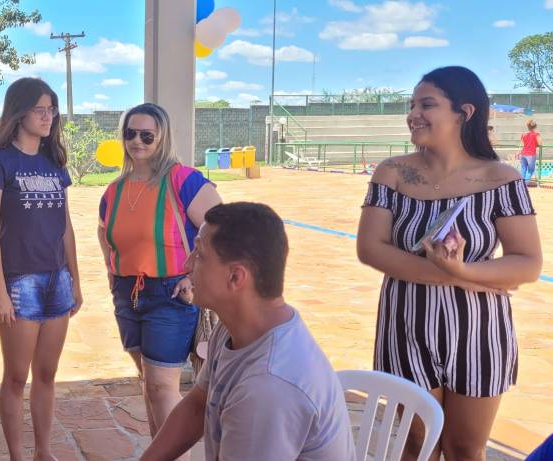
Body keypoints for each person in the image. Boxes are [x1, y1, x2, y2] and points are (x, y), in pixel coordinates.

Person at [357, 66, 542, 460]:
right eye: (411, 105)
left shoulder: (500, 179)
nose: (413, 114)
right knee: (415, 443)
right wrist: (458, 277)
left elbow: (527, 262)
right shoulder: (392, 173)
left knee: (465, 448)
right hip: (405, 326)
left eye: (427, 105)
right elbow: (371, 248)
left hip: (479, 331)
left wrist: (464, 271)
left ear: (465, 112)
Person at [140, 202, 355, 461]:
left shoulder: (269, 384)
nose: (187, 264)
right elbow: (197, 406)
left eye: (199, 254)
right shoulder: (234, 330)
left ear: (235, 278)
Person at [97, 103, 222, 443]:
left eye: (147, 135)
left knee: (162, 388)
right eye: (130, 133)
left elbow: (222, 229)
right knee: (150, 386)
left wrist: (194, 276)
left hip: (170, 294)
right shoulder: (115, 190)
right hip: (128, 296)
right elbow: (103, 229)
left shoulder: (183, 180)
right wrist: (111, 267)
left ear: (162, 137)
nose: (137, 141)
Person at [0, 77, 82, 461]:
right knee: (17, 376)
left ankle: (43, 452)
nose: (48, 116)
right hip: (19, 282)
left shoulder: (54, 161)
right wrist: (0, 290)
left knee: (47, 374)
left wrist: (75, 280)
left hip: (58, 279)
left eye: (51, 109)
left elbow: (65, 226)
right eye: (40, 109)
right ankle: (17, 456)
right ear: (19, 113)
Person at [518, 119, 542, 185]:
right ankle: (525, 184)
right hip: (531, 154)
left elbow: (523, 143)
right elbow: (540, 144)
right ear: (535, 126)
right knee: (531, 170)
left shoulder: (523, 134)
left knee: (523, 169)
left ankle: (521, 184)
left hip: (523, 153)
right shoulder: (536, 134)